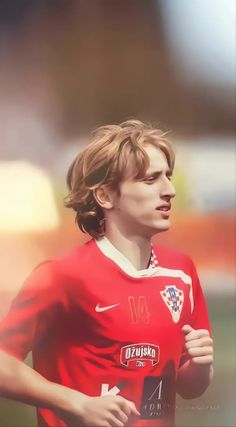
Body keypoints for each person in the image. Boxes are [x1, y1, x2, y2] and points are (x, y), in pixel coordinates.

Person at [0, 120, 213, 427]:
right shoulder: (61, 276)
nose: (170, 190)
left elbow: (190, 388)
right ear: (106, 196)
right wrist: (76, 403)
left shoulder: (181, 273)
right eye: (151, 179)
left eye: (167, 176)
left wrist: (201, 367)